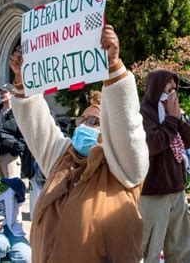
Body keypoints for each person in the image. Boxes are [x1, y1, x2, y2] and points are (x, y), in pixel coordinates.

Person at [9, 25, 149, 262]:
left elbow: (127, 127)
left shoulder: (123, 168)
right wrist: (23, 80)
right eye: (81, 119)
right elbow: (36, 126)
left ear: (107, 127)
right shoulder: (63, 160)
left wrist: (113, 66)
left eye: (93, 120)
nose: (84, 125)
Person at [139, 68, 190, 262]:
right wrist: (171, 118)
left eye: (174, 87)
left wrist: (177, 118)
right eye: (168, 86)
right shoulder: (143, 112)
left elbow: (188, 141)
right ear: (155, 87)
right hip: (153, 193)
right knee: (150, 251)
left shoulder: (172, 109)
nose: (173, 91)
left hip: (177, 191)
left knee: (181, 248)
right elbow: (154, 144)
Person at [0, 85, 25, 178]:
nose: (1, 93)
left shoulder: (19, 111)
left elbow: (25, 135)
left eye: (4, 92)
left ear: (12, 94)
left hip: (10, 157)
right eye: (0, 91)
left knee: (12, 188)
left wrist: (14, 151)